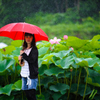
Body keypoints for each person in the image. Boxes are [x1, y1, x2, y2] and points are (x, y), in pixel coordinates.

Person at [18, 32, 38, 100]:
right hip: (24, 73)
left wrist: (23, 55)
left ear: (33, 38)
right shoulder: (24, 49)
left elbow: (32, 60)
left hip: (31, 74)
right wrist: (20, 60)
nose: (28, 38)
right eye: (26, 37)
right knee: (26, 93)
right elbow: (23, 63)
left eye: (30, 37)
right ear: (24, 38)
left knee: (31, 94)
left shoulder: (34, 49)